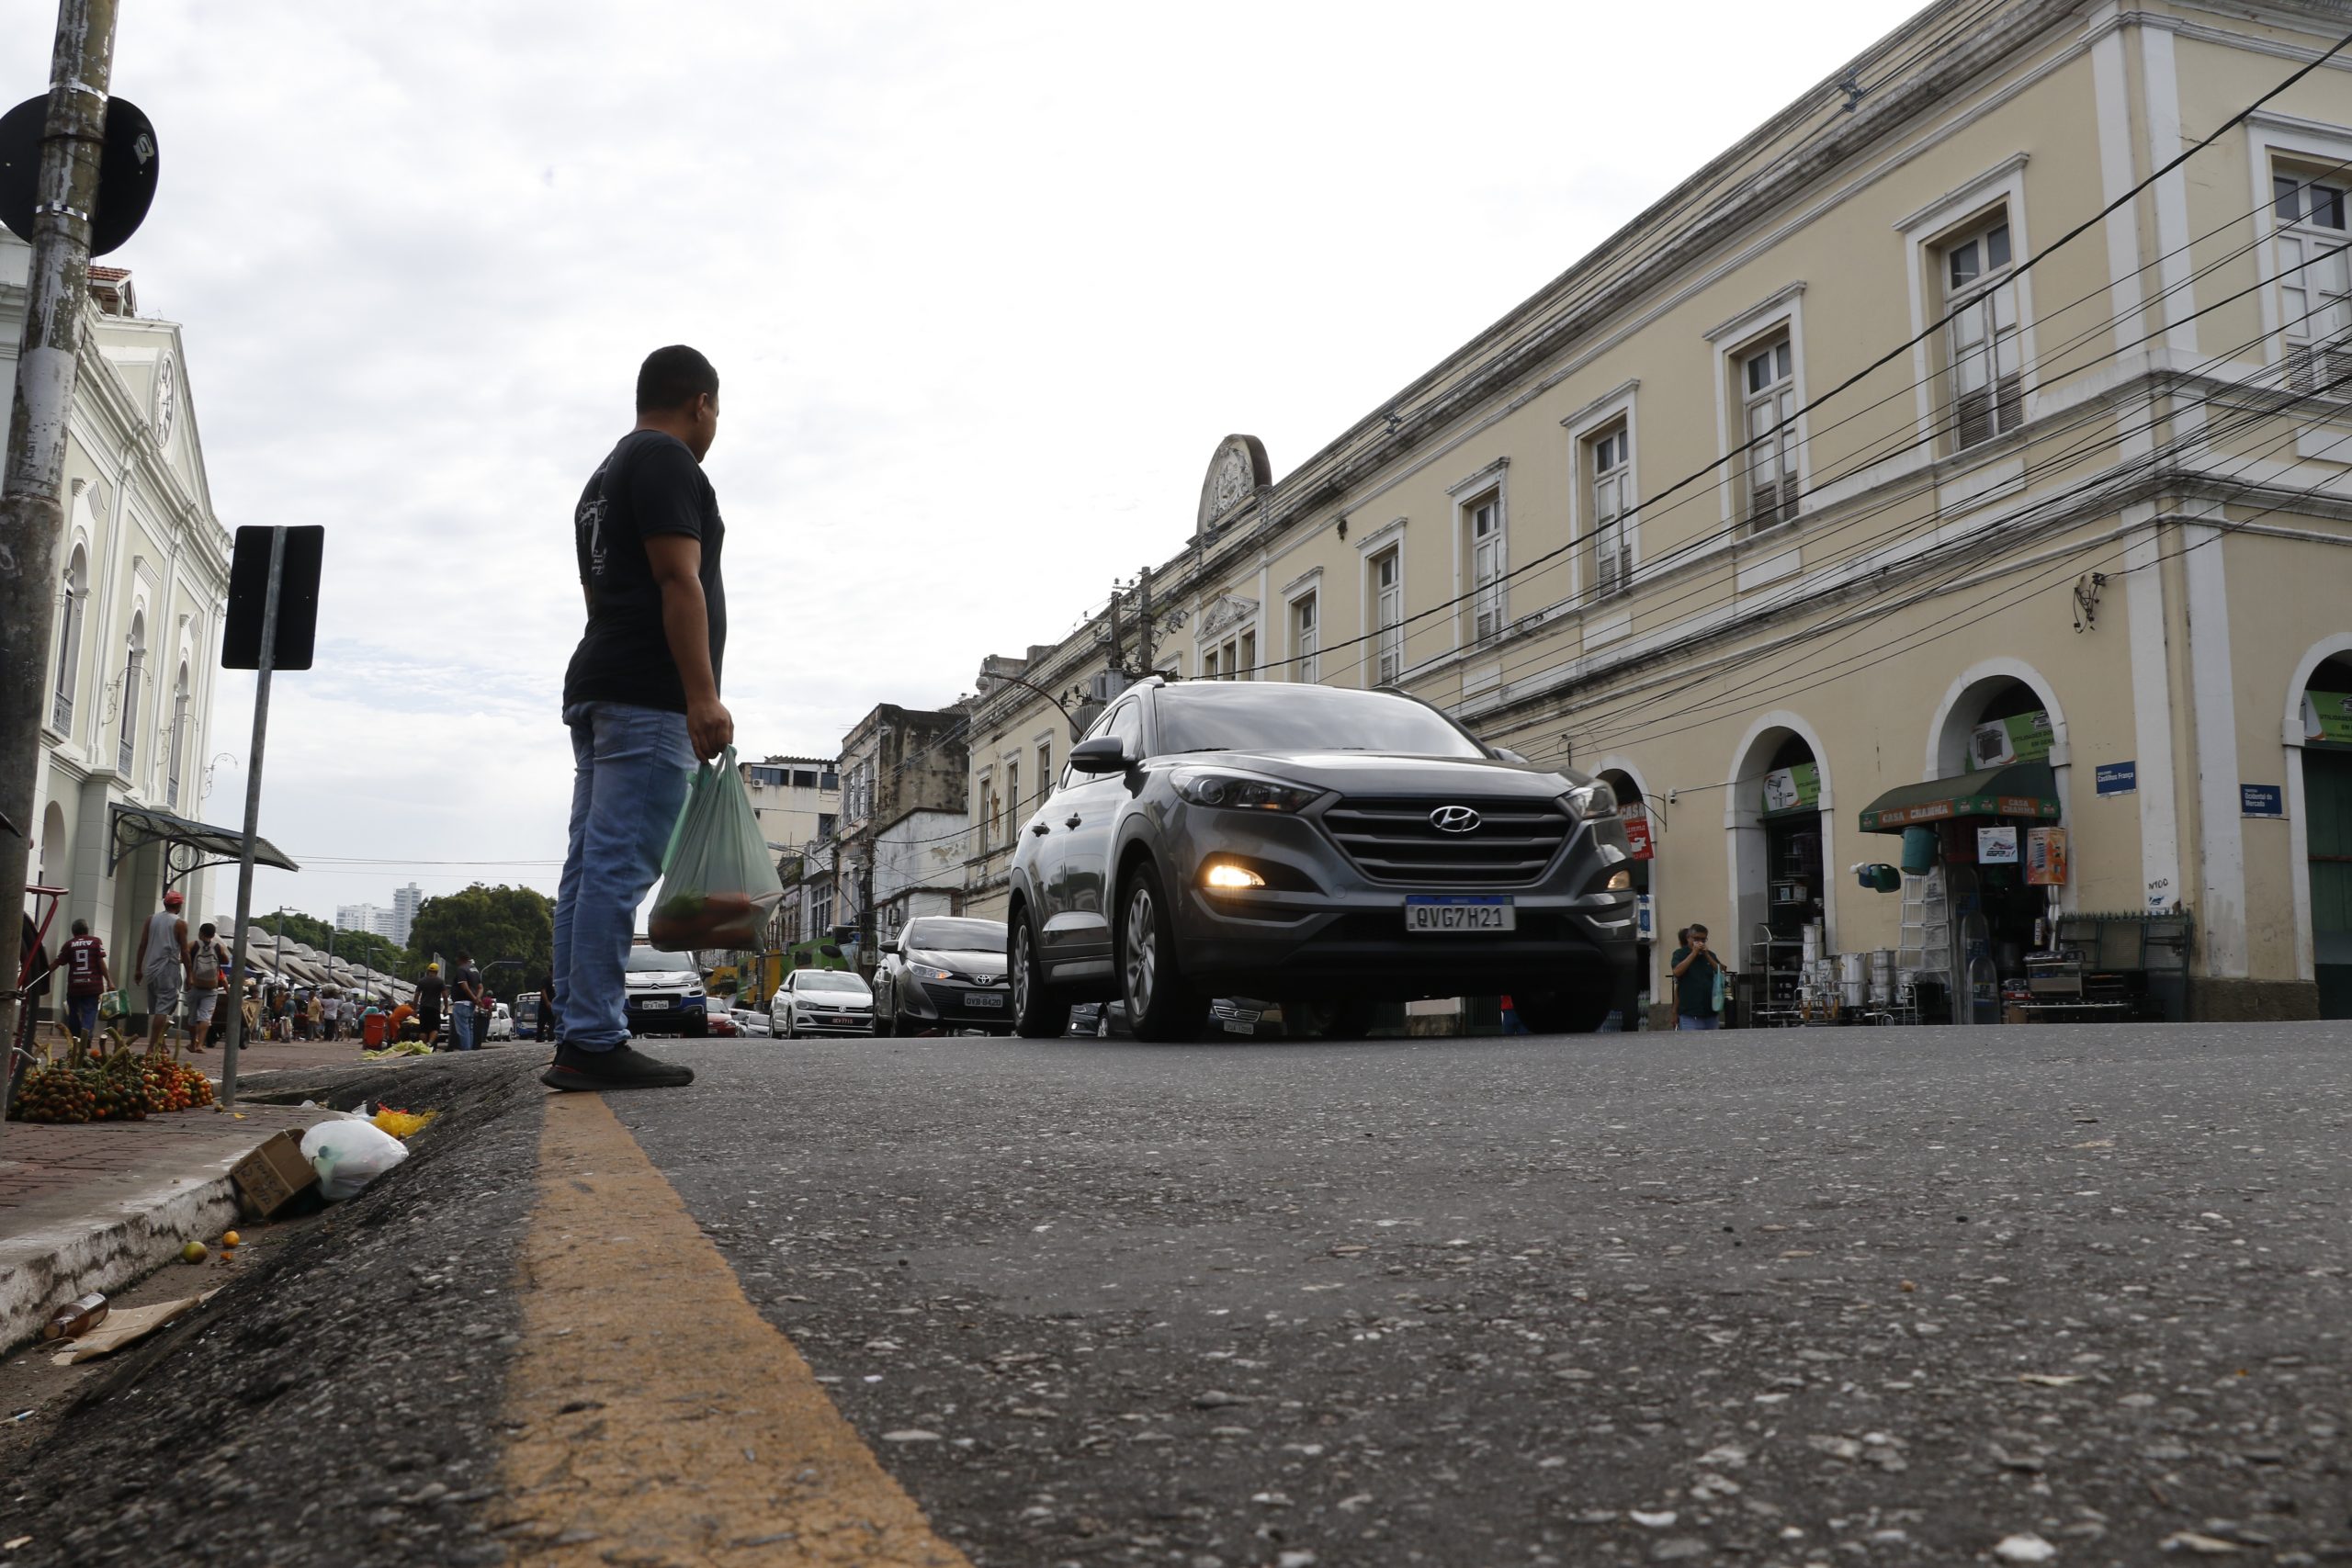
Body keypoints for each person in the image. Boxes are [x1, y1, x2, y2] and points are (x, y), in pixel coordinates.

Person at [545, 346, 732, 1093]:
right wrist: (701, 693)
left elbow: (603, 598)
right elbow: (677, 579)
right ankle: (592, 1037)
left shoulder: (602, 478)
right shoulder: (667, 462)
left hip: (601, 680)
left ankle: (577, 1030)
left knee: (589, 868)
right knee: (616, 869)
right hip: (646, 695)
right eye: (717, 412)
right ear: (701, 404)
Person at [133, 889, 188, 1051]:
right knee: (164, 1008)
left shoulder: (151, 919)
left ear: (165, 904)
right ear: (178, 905)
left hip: (151, 968)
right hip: (167, 967)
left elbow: (142, 944)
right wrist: (190, 975)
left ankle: (161, 1042)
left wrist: (138, 969)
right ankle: (152, 1046)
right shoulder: (179, 923)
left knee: (160, 1007)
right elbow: (184, 951)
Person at [60, 918, 109, 1046]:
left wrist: (45, 971)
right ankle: (85, 1035)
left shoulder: (69, 944)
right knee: (90, 1011)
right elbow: (100, 962)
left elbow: (59, 962)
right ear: (87, 930)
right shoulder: (96, 942)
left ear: (73, 932)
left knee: (73, 1012)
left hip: (74, 986)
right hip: (92, 986)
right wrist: (109, 981)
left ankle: (75, 1037)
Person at [183, 920, 231, 1054]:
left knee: (192, 1017)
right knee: (205, 1017)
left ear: (201, 933)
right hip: (211, 987)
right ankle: (200, 1045)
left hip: (194, 985)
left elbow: (183, 957)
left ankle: (193, 1043)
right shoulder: (218, 947)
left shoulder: (193, 944)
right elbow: (226, 961)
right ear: (213, 934)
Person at [1670, 922, 1728, 1031]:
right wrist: (1694, 953)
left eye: (1703, 939)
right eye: (1696, 939)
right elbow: (1677, 972)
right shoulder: (1680, 954)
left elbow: (1721, 971)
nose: (1700, 942)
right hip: (1690, 1014)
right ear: (1688, 938)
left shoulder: (1710, 954)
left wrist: (1707, 955)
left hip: (1711, 1012)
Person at [449, 951, 485, 1052]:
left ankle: (466, 1051)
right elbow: (481, 988)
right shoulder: (475, 970)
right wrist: (477, 999)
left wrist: (475, 999)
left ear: (461, 959)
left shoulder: (461, 969)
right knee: (469, 1028)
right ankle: (469, 1050)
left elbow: (464, 987)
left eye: (457, 959)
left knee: (462, 1029)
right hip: (471, 1004)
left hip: (461, 1003)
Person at [417, 962, 447, 1049]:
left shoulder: (422, 981)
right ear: (437, 972)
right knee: (435, 1028)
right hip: (435, 1008)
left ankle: (423, 1046)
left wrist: (414, 1009)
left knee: (423, 1029)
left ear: (428, 970)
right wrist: (446, 1008)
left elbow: (416, 995)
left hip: (424, 1008)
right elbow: (445, 995)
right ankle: (430, 1043)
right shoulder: (440, 981)